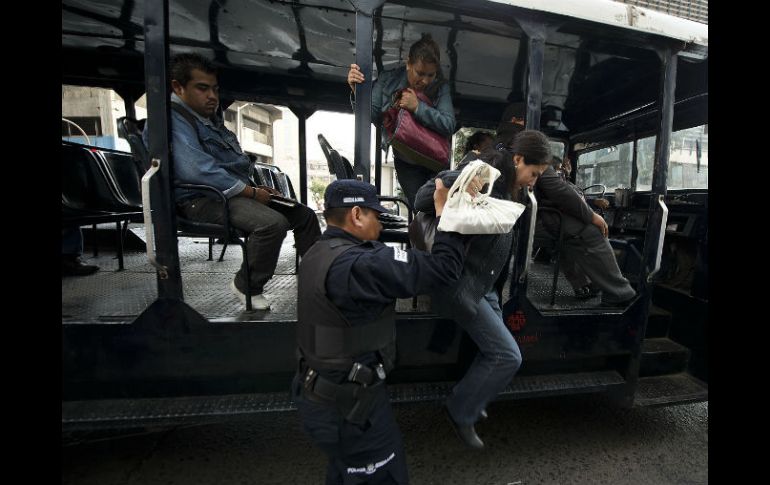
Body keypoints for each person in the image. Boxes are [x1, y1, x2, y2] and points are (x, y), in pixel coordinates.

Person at [293, 178, 471, 484]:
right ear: (356, 215)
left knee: (345, 470)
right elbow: (444, 270)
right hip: (352, 410)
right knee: (383, 474)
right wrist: (447, 214)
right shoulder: (362, 264)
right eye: (377, 216)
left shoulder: (317, 252)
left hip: (320, 395)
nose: (380, 225)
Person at [145, 53, 321, 310]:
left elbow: (230, 166)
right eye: (202, 88)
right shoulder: (172, 119)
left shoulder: (207, 120)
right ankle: (247, 285)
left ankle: (320, 279)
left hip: (229, 193)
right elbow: (198, 171)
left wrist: (254, 188)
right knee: (272, 224)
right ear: (178, 87)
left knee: (304, 215)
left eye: (215, 89)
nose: (212, 96)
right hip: (200, 198)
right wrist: (251, 193)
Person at [414, 130, 552, 449]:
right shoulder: (481, 173)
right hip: (462, 284)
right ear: (518, 159)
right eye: (534, 173)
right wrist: (458, 183)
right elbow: (422, 197)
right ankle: (460, 410)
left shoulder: (511, 185)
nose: (534, 182)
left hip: (484, 285)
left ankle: (474, 398)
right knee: (507, 356)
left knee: (493, 350)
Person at [347, 34, 456, 209]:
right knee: (419, 208)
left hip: (434, 162)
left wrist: (418, 107)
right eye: (420, 73)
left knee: (439, 210)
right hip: (406, 162)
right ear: (408, 64)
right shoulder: (387, 79)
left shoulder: (441, 87)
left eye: (431, 75)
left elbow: (449, 124)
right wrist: (357, 92)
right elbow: (372, 116)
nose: (425, 81)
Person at [535, 155, 636, 306]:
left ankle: (585, 285)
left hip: (544, 216)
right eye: (561, 168)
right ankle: (620, 294)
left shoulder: (562, 180)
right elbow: (563, 195)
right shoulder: (542, 168)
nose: (564, 169)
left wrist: (593, 201)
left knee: (569, 239)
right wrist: (591, 216)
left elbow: (573, 195)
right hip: (543, 218)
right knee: (591, 231)